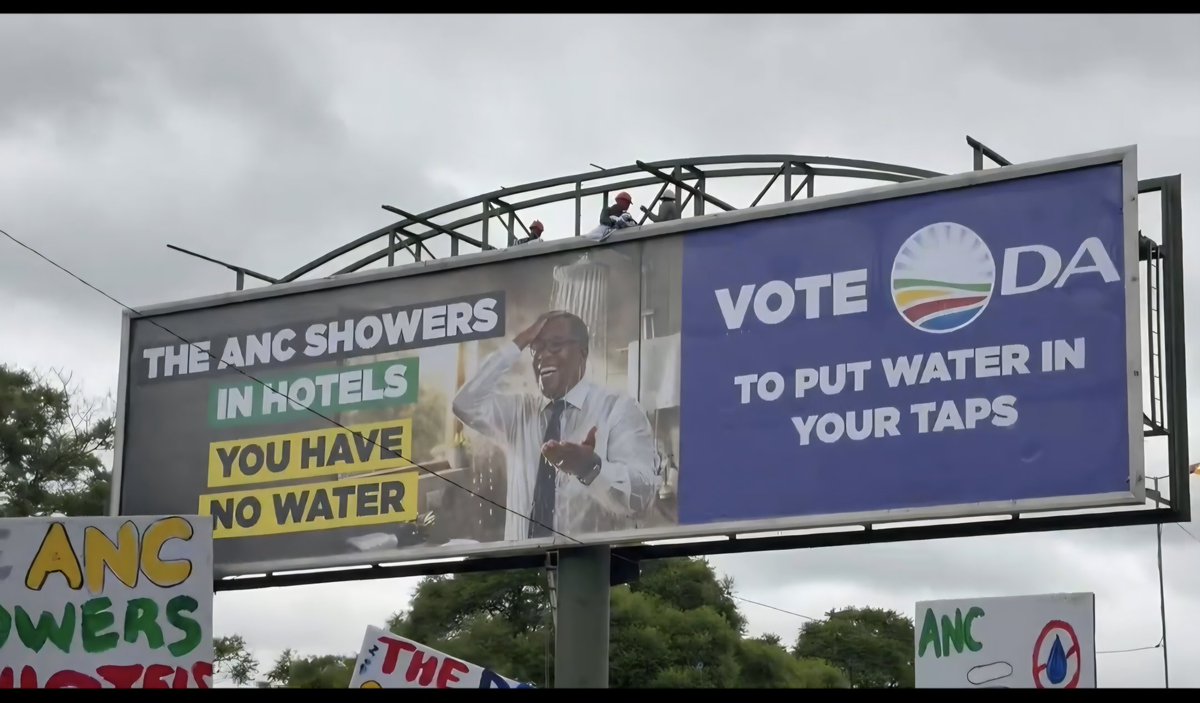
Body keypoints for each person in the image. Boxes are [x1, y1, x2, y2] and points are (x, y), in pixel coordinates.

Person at [451, 311, 658, 541]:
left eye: (555, 345)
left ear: (582, 352)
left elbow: (643, 497)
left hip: (587, 568)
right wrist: (518, 343)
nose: (542, 356)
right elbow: (464, 404)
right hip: (521, 567)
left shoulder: (618, 409)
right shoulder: (519, 412)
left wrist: (590, 468)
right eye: (536, 348)